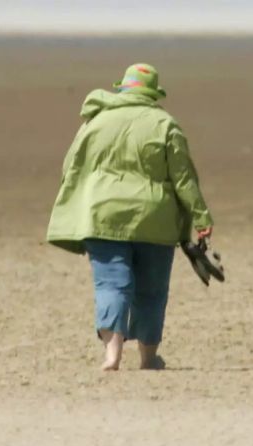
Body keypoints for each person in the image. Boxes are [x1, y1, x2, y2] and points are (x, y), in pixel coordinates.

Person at [47, 63, 213, 371]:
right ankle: (149, 358)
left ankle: (112, 355)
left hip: (102, 215)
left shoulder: (94, 122)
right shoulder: (165, 123)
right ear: (153, 93)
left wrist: (79, 202)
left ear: (123, 88)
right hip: (155, 217)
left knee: (112, 284)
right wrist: (201, 217)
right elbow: (184, 178)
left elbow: (70, 166)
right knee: (152, 289)